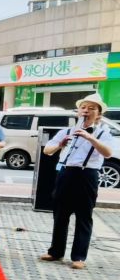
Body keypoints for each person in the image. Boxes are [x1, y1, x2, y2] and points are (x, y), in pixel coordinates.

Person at [40, 93, 116, 270]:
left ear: (98, 114)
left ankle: (79, 256)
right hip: (66, 173)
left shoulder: (104, 133)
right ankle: (56, 251)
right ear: (78, 112)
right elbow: (47, 151)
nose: (86, 111)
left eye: (91, 108)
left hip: (87, 174)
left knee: (83, 216)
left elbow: (107, 153)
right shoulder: (66, 131)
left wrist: (90, 138)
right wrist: (61, 144)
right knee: (60, 215)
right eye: (84, 107)